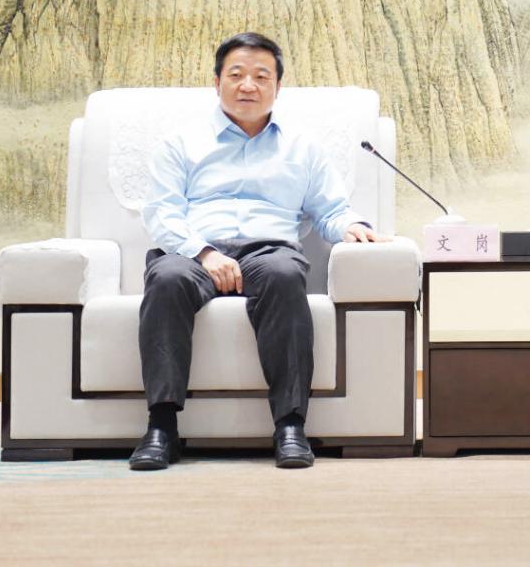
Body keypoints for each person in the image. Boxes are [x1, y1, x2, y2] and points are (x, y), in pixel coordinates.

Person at [129, 32, 385, 471]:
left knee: (285, 275)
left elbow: (330, 210)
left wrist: (353, 227)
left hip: (268, 252)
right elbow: (162, 213)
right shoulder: (181, 143)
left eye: (261, 76)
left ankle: (290, 427)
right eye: (237, 75)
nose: (248, 85)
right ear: (217, 83)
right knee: (167, 279)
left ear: (277, 87)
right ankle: (162, 428)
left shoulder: (302, 148)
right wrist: (204, 253)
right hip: (195, 253)